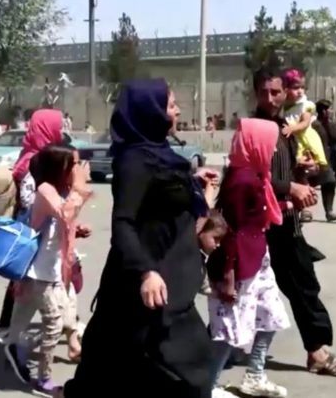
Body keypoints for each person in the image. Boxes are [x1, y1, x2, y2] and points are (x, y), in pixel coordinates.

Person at [59, 79, 219, 398]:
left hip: (169, 273)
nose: (177, 111)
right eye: (171, 105)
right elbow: (123, 222)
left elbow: (161, 190)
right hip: (148, 279)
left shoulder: (160, 154)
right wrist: (147, 272)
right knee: (188, 361)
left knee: (118, 357)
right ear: (151, 112)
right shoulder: (135, 160)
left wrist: (189, 182)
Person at [252, 67, 336, 379]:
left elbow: (281, 170)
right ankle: (317, 352)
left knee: (293, 283)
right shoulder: (256, 128)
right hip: (267, 223)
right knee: (295, 284)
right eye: (264, 92)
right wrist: (291, 188)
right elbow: (250, 178)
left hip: (287, 218)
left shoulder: (284, 125)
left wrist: (301, 171)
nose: (270, 98)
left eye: (276, 92)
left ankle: (316, 349)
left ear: (286, 92)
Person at [208, 118, 291, 398]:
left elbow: (256, 214)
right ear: (256, 144)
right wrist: (229, 278)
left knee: (271, 315)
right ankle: (208, 385)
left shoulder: (253, 175)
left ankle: (255, 374)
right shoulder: (243, 180)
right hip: (240, 264)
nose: (275, 151)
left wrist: (286, 204)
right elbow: (232, 231)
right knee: (229, 329)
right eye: (271, 144)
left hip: (257, 259)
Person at [5, 145, 91, 396]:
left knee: (50, 318)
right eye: (73, 164)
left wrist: (78, 229)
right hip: (38, 272)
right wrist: (78, 187)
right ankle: (44, 380)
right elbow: (64, 214)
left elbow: (62, 223)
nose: (78, 169)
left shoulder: (60, 190)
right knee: (53, 323)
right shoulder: (45, 189)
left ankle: (13, 346)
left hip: (52, 270)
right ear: (60, 167)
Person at [0, 109, 67, 341]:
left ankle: (12, 329)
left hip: (35, 226)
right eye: (58, 126)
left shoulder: (31, 153)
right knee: (29, 278)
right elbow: (29, 200)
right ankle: (13, 331)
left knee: (24, 278)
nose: (61, 130)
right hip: (35, 228)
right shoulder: (34, 160)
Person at [280, 69, 328, 169]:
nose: (300, 91)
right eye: (296, 88)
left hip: (304, 138)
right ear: (285, 89)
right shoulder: (285, 106)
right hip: (294, 138)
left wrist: (292, 128)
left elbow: (305, 123)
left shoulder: (305, 105)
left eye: (302, 87)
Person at [310, 100, 336, 222]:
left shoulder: (328, 124)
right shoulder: (315, 125)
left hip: (325, 160)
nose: (331, 111)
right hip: (315, 159)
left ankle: (329, 211)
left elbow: (335, 139)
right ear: (324, 111)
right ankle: (302, 212)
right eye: (329, 109)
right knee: (307, 185)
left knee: (329, 182)